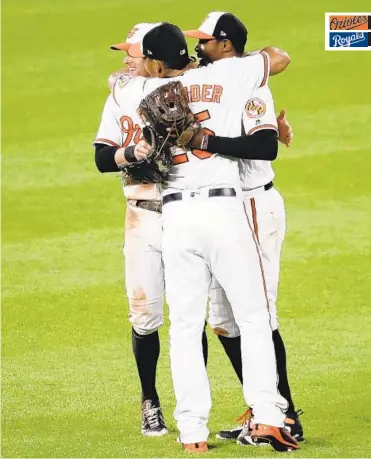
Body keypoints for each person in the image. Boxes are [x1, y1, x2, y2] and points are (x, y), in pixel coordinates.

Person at [112, 22, 300, 453]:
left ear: (155, 62)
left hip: (177, 217)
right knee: (253, 318)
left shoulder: (137, 90)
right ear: (188, 53)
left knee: (183, 328)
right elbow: (276, 57)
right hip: (225, 211)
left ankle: (193, 433)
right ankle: (269, 417)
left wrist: (155, 77)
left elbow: (119, 79)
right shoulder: (227, 75)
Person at [184, 12, 304, 443]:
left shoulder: (248, 81)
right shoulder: (215, 80)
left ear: (226, 45)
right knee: (223, 319)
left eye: (205, 42)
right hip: (227, 209)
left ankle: (284, 414)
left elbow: (265, 145)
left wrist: (206, 141)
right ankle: (260, 404)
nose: (198, 48)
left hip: (254, 203)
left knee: (260, 315)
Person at [93, 22, 208, 437]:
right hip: (141, 214)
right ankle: (150, 401)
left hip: (184, 211)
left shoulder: (174, 86)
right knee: (145, 317)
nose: (124, 59)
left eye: (132, 53)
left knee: (190, 315)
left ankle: (193, 405)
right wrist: (129, 152)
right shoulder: (122, 92)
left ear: (154, 61)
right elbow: (102, 158)